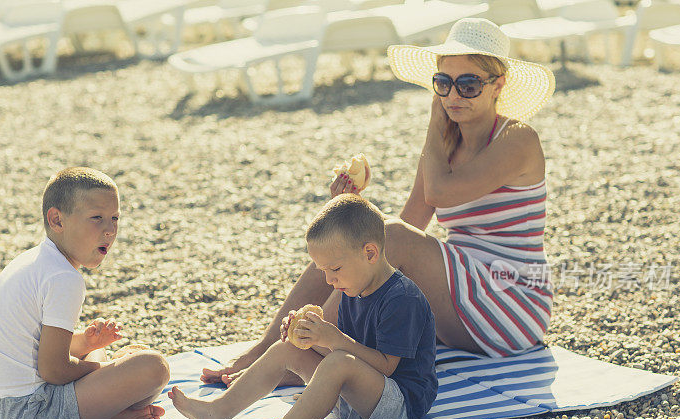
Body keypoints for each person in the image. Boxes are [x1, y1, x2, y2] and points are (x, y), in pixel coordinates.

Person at [203, 18, 556, 386]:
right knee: (359, 243)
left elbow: (435, 198)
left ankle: (298, 356)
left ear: (497, 84)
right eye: (443, 83)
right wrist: (352, 207)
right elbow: (410, 224)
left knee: (385, 239)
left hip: (511, 298)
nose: (452, 96)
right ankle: (265, 348)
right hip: (462, 290)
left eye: (468, 84)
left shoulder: (518, 138)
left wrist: (435, 125)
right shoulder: (445, 143)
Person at [170, 194, 437, 419]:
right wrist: (309, 337)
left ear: (370, 253)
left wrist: (334, 339)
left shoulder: (402, 298)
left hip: (399, 404)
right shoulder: (353, 287)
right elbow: (346, 351)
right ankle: (218, 412)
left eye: (334, 268)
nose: (329, 280)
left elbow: (386, 366)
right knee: (287, 349)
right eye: (323, 271)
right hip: (357, 399)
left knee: (338, 362)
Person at [0, 167, 171, 419]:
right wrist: (107, 368)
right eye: (96, 218)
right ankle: (106, 416)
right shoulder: (63, 277)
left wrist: (88, 344)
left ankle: (106, 412)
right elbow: (53, 370)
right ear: (57, 220)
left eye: (114, 218)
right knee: (153, 366)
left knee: (104, 354)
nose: (110, 230)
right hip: (31, 415)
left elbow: (41, 352)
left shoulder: (36, 260)